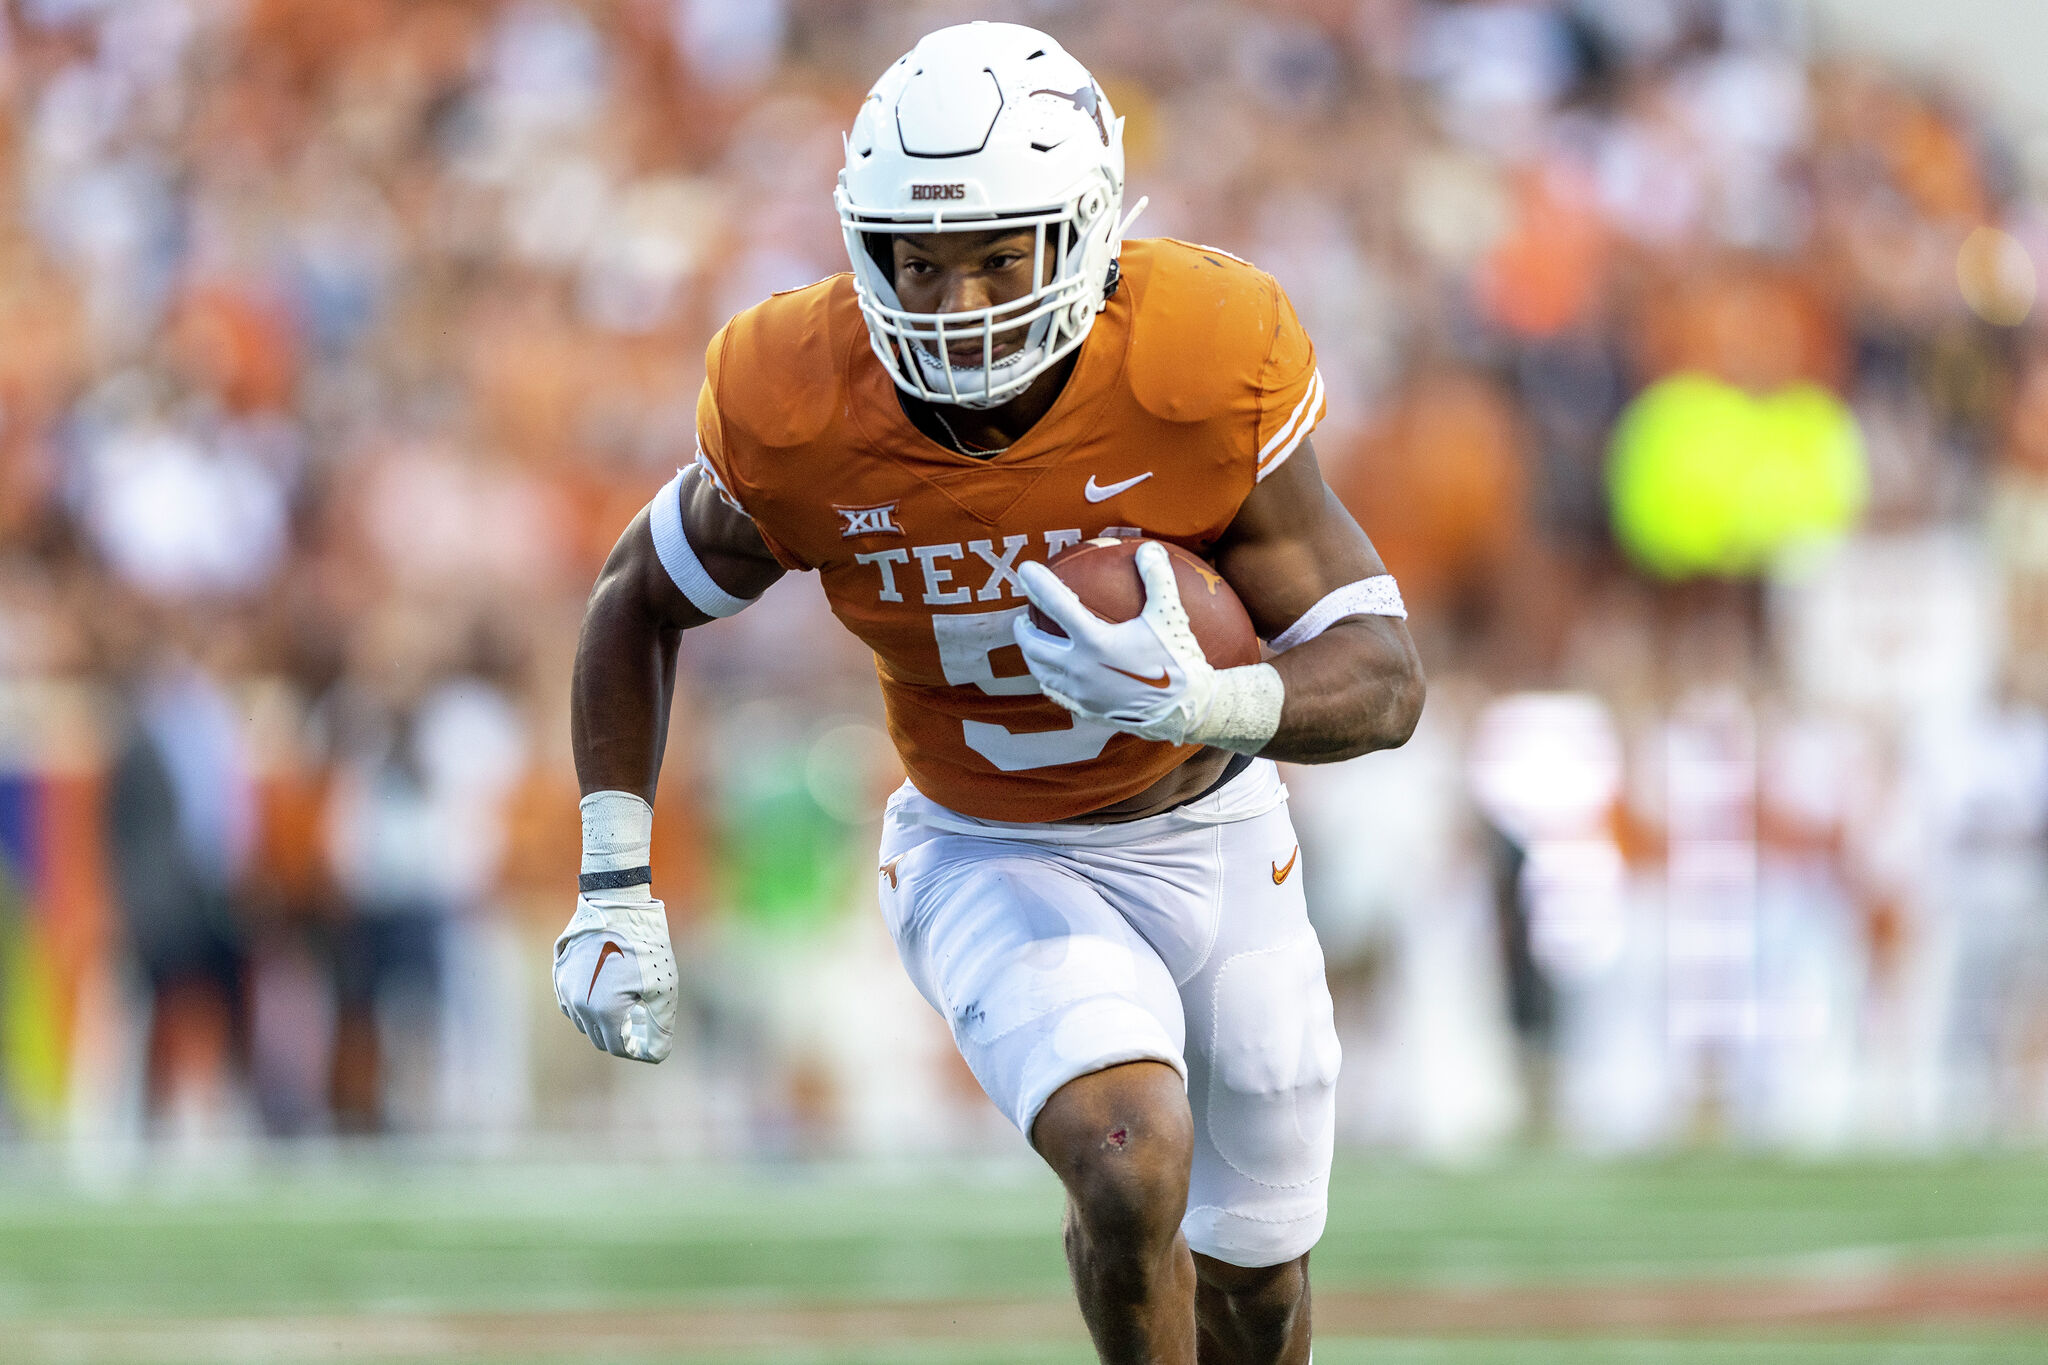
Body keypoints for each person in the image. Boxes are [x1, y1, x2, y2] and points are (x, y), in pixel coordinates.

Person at [555, 23, 1423, 1365]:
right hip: (990, 844)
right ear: (864, 245)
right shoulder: (801, 399)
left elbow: (1384, 676)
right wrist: (613, 877)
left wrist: (1211, 700)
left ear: (1083, 232)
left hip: (1212, 829)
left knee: (1260, 1282)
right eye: (920, 258)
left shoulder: (1197, 355)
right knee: (1130, 1167)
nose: (955, 303)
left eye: (996, 254)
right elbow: (635, 597)